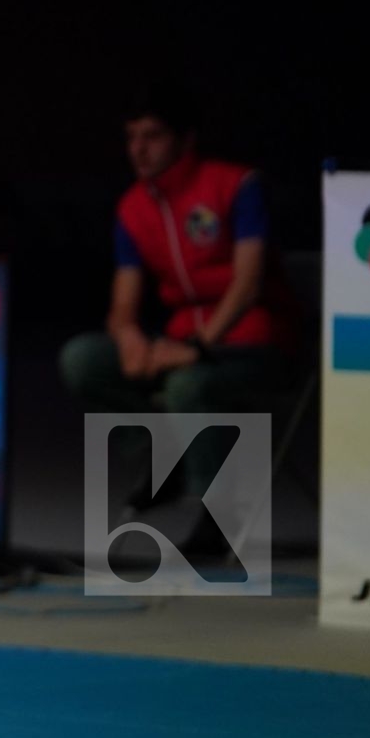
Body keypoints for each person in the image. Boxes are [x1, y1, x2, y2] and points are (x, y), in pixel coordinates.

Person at [60, 81, 295, 515]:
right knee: (82, 359)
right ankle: (166, 454)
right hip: (183, 340)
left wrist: (199, 347)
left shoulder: (236, 186)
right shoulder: (133, 208)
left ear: (185, 139)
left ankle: (219, 512)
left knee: (189, 384)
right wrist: (129, 338)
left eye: (152, 136)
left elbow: (248, 283)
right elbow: (123, 304)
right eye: (131, 137)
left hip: (255, 344)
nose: (139, 149)